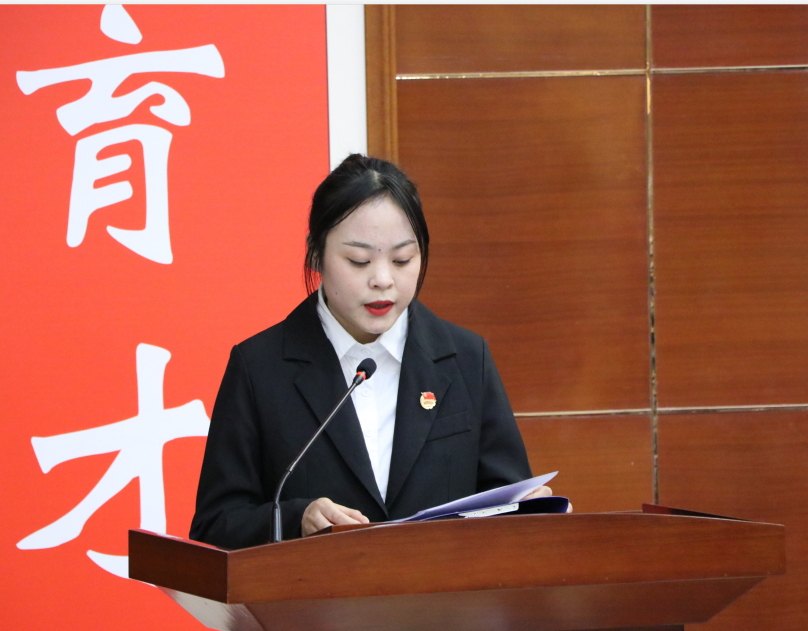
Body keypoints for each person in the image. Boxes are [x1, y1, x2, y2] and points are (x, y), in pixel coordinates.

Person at [190, 154, 557, 550]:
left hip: (440, 589)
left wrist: (529, 510)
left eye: (402, 259)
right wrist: (298, 518)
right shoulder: (260, 367)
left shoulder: (467, 358)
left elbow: (505, 498)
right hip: (316, 591)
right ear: (316, 254)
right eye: (359, 261)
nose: (383, 280)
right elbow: (216, 522)